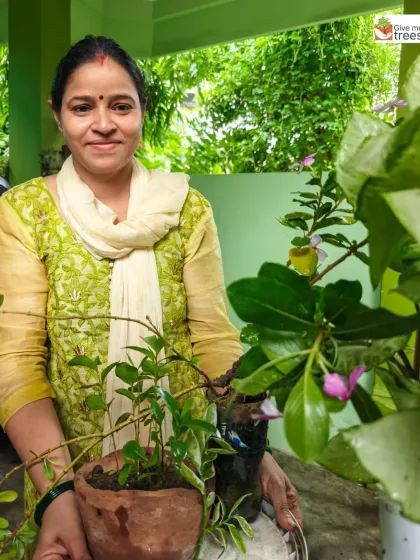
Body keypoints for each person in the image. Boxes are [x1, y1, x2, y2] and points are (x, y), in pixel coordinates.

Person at [0, 36, 301, 560]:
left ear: (142, 110)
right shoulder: (25, 213)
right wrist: (57, 496)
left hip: (185, 474)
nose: (103, 123)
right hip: (73, 481)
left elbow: (213, 340)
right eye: (82, 107)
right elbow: (17, 363)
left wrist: (251, 452)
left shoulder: (186, 210)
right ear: (57, 114)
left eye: (121, 105)